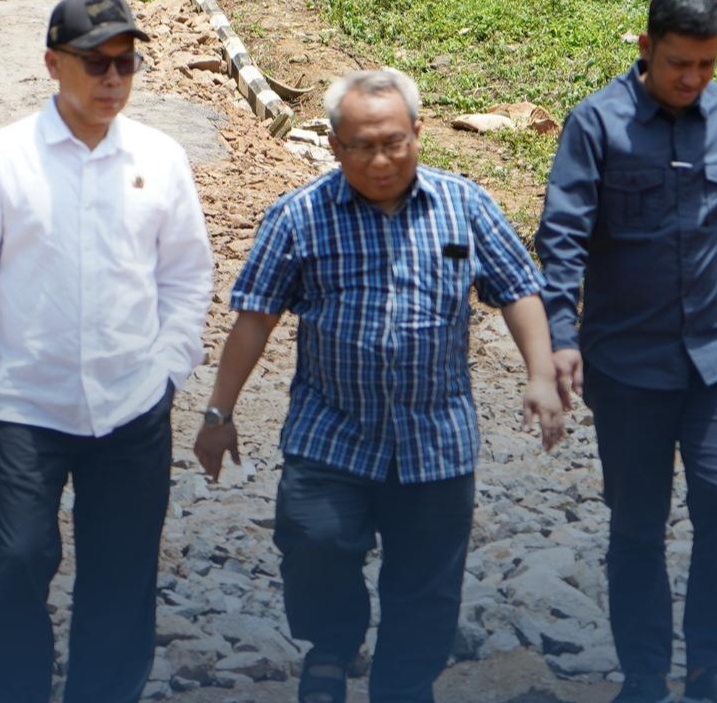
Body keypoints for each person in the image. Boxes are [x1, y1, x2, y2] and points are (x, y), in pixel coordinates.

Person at [194, 68, 567, 703]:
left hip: (436, 435)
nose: (381, 159)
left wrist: (540, 375)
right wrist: (217, 413)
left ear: (418, 133)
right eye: (362, 145)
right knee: (313, 540)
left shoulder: (464, 205)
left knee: (426, 582)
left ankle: (403, 683)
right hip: (330, 428)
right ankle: (332, 647)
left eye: (394, 141)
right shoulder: (300, 216)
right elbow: (255, 317)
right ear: (336, 145)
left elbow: (518, 288)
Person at [0, 0, 214, 703]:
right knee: (17, 559)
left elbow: (187, 274)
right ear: (53, 63)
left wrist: (171, 364)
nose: (113, 79)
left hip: (133, 405)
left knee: (122, 576)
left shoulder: (161, 157)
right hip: (29, 403)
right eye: (96, 63)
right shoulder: (1, 160)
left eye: (126, 63)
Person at [535, 0, 717, 703]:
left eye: (707, 65)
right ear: (646, 46)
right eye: (680, 62)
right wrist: (561, 336)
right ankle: (645, 674)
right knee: (637, 523)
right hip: (628, 364)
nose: (692, 79)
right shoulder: (596, 124)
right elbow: (561, 237)